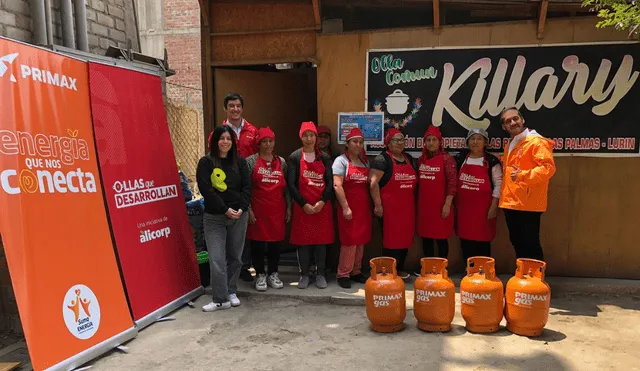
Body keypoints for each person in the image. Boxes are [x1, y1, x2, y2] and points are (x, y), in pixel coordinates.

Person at [197, 125, 251, 312]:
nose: (225, 142)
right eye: (221, 138)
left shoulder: (241, 163)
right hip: (214, 217)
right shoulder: (206, 162)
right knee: (217, 258)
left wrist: (241, 209)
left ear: (233, 142)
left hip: (238, 216)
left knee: (235, 257)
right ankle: (220, 299)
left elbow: (247, 188)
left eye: (228, 138)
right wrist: (225, 209)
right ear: (215, 141)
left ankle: (231, 290)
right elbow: (207, 190)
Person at [207, 93, 258, 283]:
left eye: (238, 106)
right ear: (225, 109)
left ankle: (245, 266)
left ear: (242, 108)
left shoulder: (253, 131)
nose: (235, 109)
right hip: (225, 189)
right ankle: (230, 269)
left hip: (248, 185)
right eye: (231, 106)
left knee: (246, 228)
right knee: (229, 228)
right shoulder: (219, 133)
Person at [499, 107, 556, 261]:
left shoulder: (536, 141)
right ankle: (523, 279)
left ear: (522, 119)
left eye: (515, 118)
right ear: (504, 127)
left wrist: (523, 175)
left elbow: (548, 168)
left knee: (530, 245)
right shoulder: (510, 144)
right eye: (508, 121)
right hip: (511, 203)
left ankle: (536, 280)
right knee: (517, 243)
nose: (513, 122)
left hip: (529, 203)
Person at [287, 122, 335, 289]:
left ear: (315, 137)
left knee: (321, 241)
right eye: (305, 135)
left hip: (322, 206)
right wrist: (303, 204)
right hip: (303, 207)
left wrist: (322, 201)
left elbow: (330, 183)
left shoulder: (325, 157)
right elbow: (291, 184)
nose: (309, 139)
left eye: (312, 135)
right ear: (301, 137)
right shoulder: (294, 157)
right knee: (303, 242)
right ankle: (305, 275)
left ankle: (320, 274)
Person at [246, 127, 291, 292]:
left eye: (270, 141)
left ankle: (273, 273)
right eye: (264, 141)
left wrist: (288, 208)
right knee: (257, 243)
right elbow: (246, 188)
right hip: (258, 210)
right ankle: (260, 274)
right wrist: (248, 209)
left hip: (277, 210)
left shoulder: (282, 162)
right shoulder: (250, 162)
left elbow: (286, 189)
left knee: (275, 244)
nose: (267, 144)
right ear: (258, 143)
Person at [370, 128, 417, 280]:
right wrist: (378, 205)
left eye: (402, 140)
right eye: (395, 140)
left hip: (407, 208)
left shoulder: (409, 158)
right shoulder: (382, 160)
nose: (399, 143)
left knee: (405, 238)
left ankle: (400, 268)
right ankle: (389, 270)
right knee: (391, 240)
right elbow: (373, 183)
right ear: (388, 143)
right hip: (389, 209)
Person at [454, 128, 502, 262]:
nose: (475, 142)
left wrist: (494, 206)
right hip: (464, 210)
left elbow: (498, 184)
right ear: (468, 142)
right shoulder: (460, 159)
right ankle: (468, 269)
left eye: (479, 139)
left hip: (484, 210)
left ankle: (484, 271)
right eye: (472, 139)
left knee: (483, 240)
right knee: (465, 239)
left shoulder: (492, 161)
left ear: (485, 142)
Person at [332, 128, 371, 289]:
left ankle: (356, 271)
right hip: (348, 209)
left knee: (360, 240)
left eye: (361, 142)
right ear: (347, 144)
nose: (358, 144)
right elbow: (337, 185)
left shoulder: (364, 162)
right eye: (355, 141)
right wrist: (346, 207)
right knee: (349, 241)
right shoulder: (340, 161)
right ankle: (343, 273)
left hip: (363, 210)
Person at [416, 125, 457, 269]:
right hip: (424, 207)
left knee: (441, 238)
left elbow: (453, 184)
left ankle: (441, 268)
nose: (431, 143)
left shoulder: (447, 159)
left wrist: (447, 204)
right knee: (426, 237)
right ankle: (427, 268)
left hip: (441, 206)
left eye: (434, 140)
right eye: (428, 140)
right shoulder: (421, 160)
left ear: (440, 142)